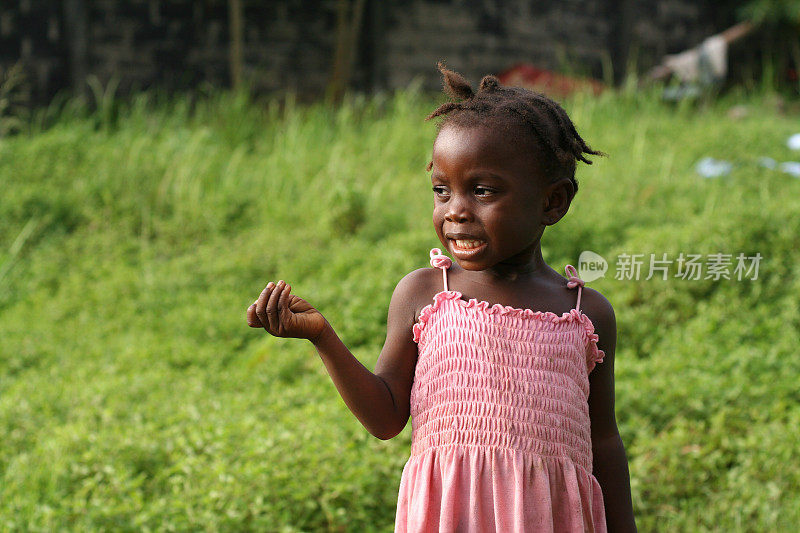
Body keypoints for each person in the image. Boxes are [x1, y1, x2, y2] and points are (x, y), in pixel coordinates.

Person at [247, 63, 637, 532]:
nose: (456, 211)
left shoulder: (585, 314)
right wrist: (322, 336)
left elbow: (604, 441)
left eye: (483, 191)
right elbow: (386, 417)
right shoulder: (427, 293)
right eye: (442, 190)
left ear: (553, 202)